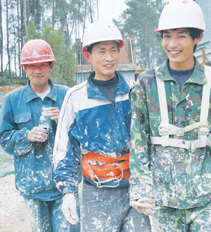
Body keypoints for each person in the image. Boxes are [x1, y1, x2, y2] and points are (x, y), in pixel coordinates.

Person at [129, 0, 211, 231]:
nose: (172, 44)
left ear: (197, 38)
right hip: (164, 198)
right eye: (166, 36)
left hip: (204, 194)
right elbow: (138, 139)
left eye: (181, 36)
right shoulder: (147, 84)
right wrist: (141, 188)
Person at [53, 21, 151, 231]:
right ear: (88, 55)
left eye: (113, 50)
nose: (109, 57)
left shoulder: (135, 92)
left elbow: (149, 140)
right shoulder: (76, 98)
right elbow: (64, 149)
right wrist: (68, 192)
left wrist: (150, 185)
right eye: (101, 51)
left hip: (135, 188)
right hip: (96, 192)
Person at [0, 39, 79, 232]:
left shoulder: (67, 95)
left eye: (43, 65)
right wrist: (27, 136)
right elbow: (3, 137)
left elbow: (84, 137)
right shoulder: (12, 99)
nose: (37, 70)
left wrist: (64, 121)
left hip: (64, 185)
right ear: (24, 68)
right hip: (32, 187)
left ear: (51, 66)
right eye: (31, 66)